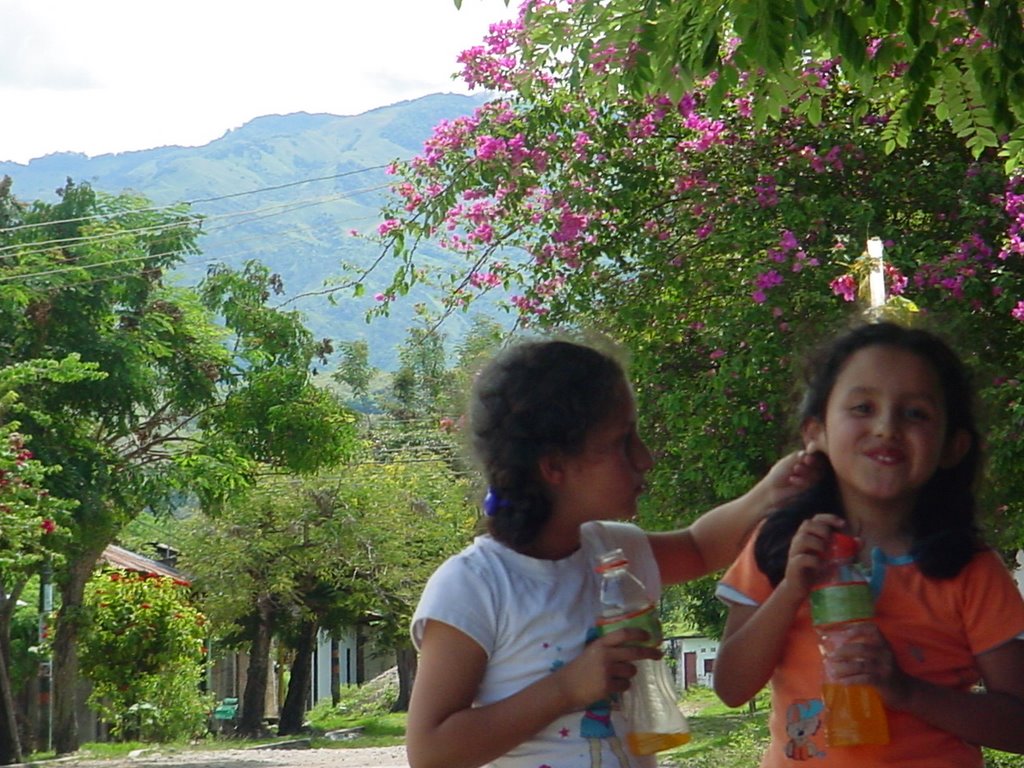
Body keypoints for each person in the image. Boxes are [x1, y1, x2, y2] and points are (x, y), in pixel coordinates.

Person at [407, 338, 819, 768]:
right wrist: (568, 688)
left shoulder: (615, 551)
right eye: (622, 441)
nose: (645, 458)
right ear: (555, 467)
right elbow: (431, 751)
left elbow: (700, 547)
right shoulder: (475, 585)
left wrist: (769, 492)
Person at [714, 320, 1024, 766]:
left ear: (953, 446)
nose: (886, 427)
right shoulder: (779, 545)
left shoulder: (968, 568)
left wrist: (907, 691)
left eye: (915, 413)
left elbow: (1018, 721)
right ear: (815, 431)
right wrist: (790, 591)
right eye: (862, 407)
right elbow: (730, 687)